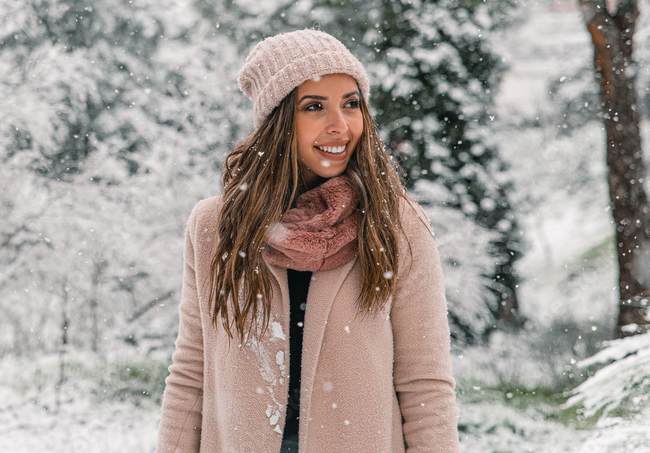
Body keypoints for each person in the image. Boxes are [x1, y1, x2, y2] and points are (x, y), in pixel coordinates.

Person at [155, 29, 460, 453]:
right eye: (314, 107)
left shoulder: (397, 225)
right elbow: (192, 372)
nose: (340, 126)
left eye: (351, 104)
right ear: (278, 123)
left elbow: (424, 384)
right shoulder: (216, 227)